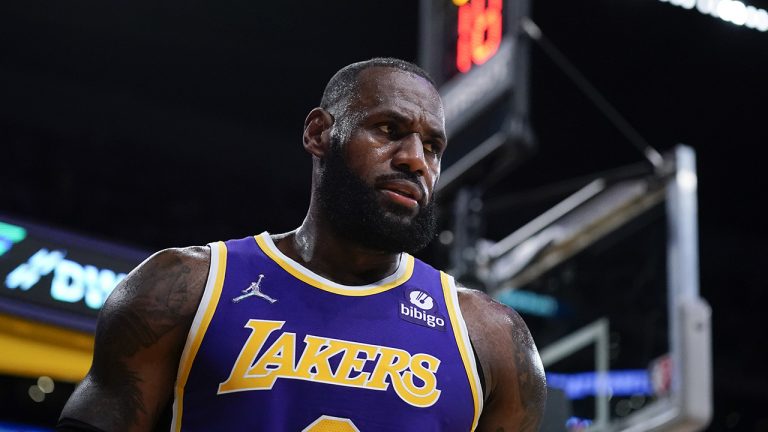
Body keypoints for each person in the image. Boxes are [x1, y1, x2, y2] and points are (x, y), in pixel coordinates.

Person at [57, 58, 546, 432]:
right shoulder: (183, 288)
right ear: (318, 133)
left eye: (433, 147)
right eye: (389, 130)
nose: (416, 161)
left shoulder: (493, 339)